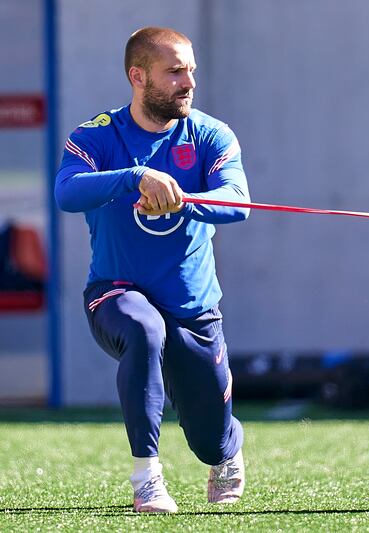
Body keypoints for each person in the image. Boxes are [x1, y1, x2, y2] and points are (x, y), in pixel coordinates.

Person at [55, 27, 250, 513]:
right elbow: (66, 193)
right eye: (175, 72)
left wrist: (183, 200)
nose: (188, 82)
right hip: (114, 293)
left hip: (193, 307)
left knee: (210, 440)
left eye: (191, 71)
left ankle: (226, 450)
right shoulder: (95, 136)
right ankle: (147, 476)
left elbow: (237, 201)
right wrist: (134, 177)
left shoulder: (211, 134)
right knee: (144, 329)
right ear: (137, 76)